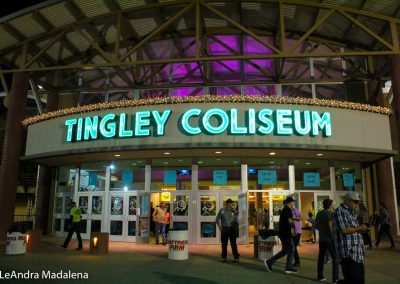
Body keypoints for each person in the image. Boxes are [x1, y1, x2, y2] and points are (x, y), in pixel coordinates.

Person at [333, 192, 369, 284]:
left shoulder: (351, 213)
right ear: (348, 201)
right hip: (348, 253)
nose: (357, 205)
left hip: (357, 253)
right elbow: (344, 230)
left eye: (358, 203)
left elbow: (353, 230)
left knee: (359, 280)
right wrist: (360, 228)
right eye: (356, 202)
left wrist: (361, 229)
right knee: (354, 280)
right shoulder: (340, 211)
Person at [264, 196, 297, 274]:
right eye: (292, 202)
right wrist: (294, 229)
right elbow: (290, 221)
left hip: (283, 233)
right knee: (289, 250)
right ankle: (270, 262)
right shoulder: (288, 210)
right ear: (289, 203)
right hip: (286, 234)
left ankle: (287, 267)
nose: (293, 204)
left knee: (288, 250)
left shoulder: (284, 210)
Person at [315, 198, 339, 283]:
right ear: (330, 205)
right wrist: (333, 236)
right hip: (329, 239)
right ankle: (335, 278)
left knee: (321, 257)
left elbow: (316, 226)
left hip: (322, 239)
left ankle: (320, 276)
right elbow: (330, 226)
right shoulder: (330, 214)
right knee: (335, 258)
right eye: (332, 205)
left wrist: (322, 231)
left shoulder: (319, 213)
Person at [291, 202, 302, 267]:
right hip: (292, 232)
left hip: (297, 231)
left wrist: (293, 217)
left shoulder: (295, 210)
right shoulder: (287, 211)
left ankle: (297, 262)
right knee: (292, 247)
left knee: (293, 247)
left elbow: (301, 218)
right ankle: (296, 261)